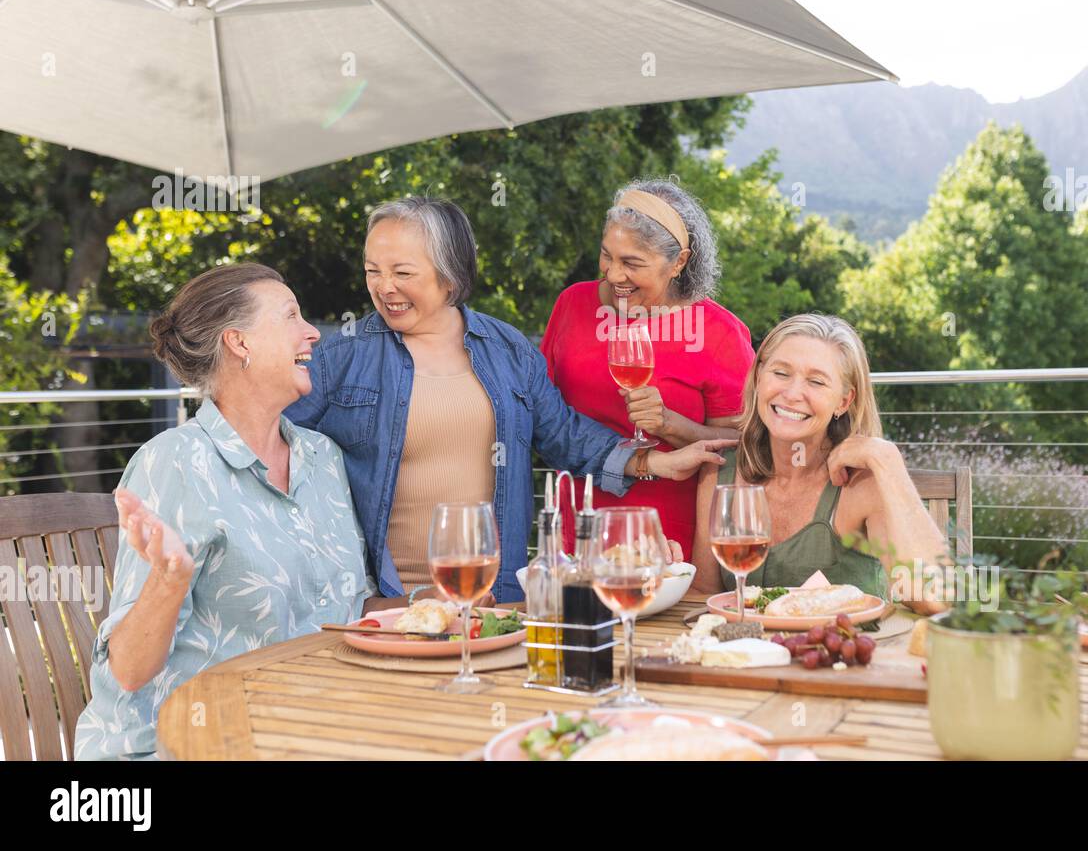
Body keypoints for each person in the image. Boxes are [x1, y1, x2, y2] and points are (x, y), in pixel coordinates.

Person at [287, 197, 731, 606]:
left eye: (402, 273)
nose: (384, 288)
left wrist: (653, 463)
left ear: (449, 274)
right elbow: (273, 450)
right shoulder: (339, 357)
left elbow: (563, 434)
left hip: (494, 599)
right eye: (372, 271)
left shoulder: (508, 351)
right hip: (387, 603)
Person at [76, 264, 377, 760]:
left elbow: (350, 608)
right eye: (291, 317)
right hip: (180, 745)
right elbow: (126, 672)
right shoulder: (174, 463)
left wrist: (440, 608)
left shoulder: (322, 458)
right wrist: (169, 579)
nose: (312, 334)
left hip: (301, 738)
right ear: (240, 343)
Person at [541, 179, 754, 560]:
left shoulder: (719, 333)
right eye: (607, 255)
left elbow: (745, 442)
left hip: (667, 538)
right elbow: (546, 415)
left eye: (632, 263)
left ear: (679, 262)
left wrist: (671, 425)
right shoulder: (572, 304)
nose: (613, 274)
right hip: (578, 525)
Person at [691, 314, 951, 614]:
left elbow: (936, 598)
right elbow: (705, 595)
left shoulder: (863, 484)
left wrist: (887, 459)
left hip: (845, 656)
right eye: (781, 372)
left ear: (843, 401)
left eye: (816, 381)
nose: (792, 394)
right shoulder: (719, 472)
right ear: (759, 377)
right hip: (751, 655)